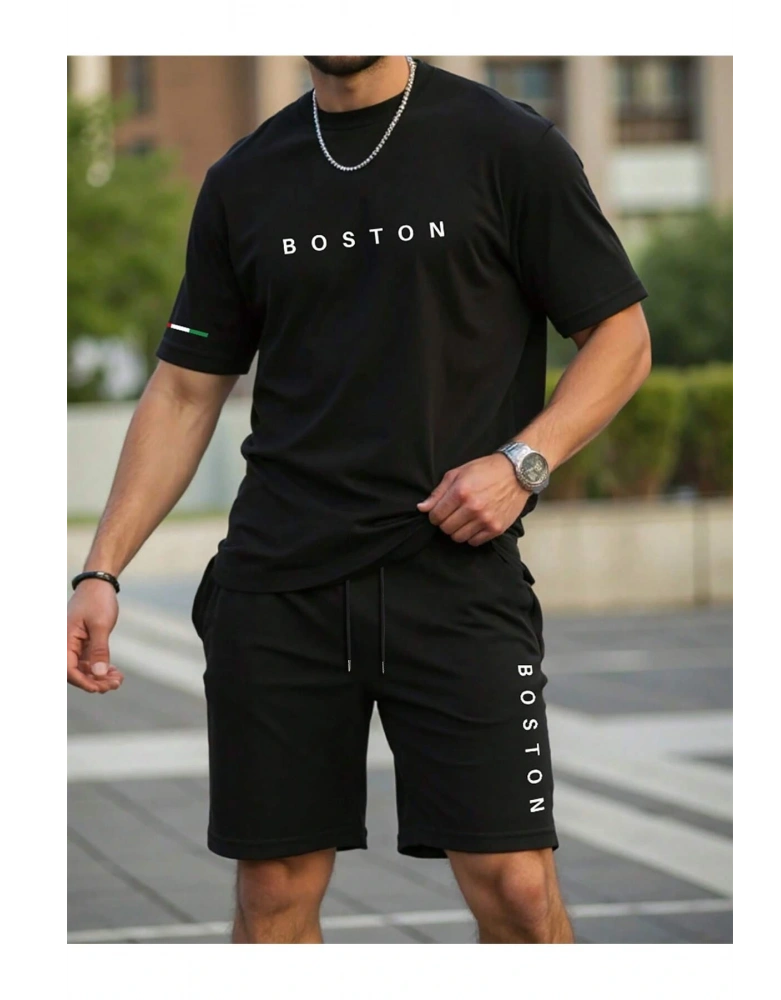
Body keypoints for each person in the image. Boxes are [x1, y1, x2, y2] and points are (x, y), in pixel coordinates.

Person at [65, 55, 651, 944]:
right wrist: (101, 570)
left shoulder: (507, 145)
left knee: (517, 891)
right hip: (280, 585)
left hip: (453, 573)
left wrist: (523, 462)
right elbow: (184, 390)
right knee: (273, 894)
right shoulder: (244, 178)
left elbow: (621, 334)